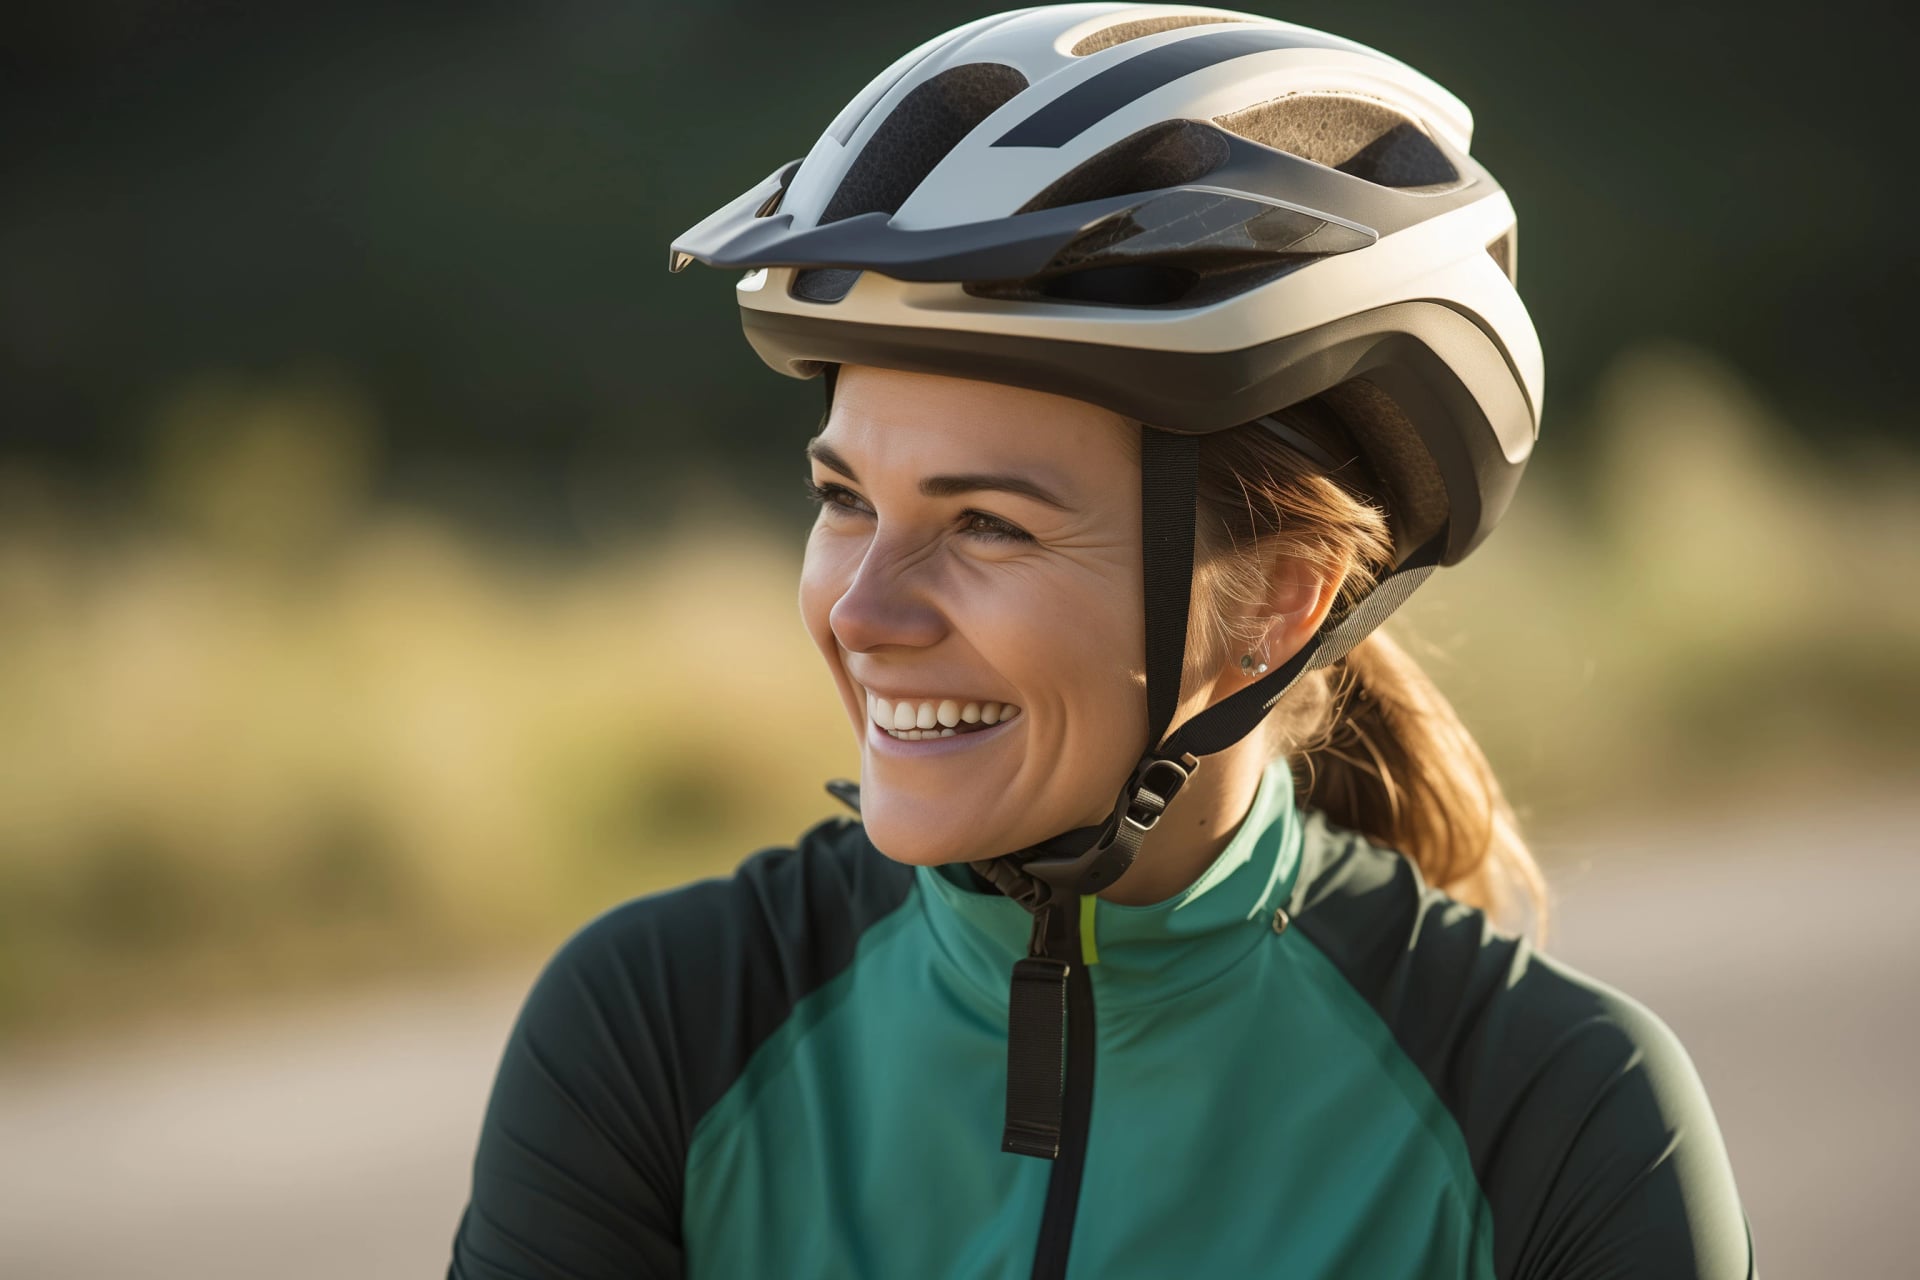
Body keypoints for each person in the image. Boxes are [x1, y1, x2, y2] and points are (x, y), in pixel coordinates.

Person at [448, 6, 1754, 1277]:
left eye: (987, 526)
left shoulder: (1558, 1126)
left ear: (1279, 603)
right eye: (846, 502)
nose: (861, 615)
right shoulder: (663, 1029)